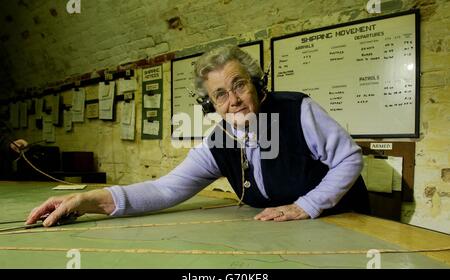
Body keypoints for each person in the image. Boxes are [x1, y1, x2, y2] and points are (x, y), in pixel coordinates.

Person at [26, 45, 369, 227]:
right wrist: (88, 202)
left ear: (257, 84)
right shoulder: (220, 140)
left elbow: (349, 157)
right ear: (212, 104)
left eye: (239, 85)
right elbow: (165, 188)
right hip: (295, 235)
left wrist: (306, 206)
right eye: (220, 94)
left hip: (346, 221)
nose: (233, 100)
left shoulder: (297, 110)